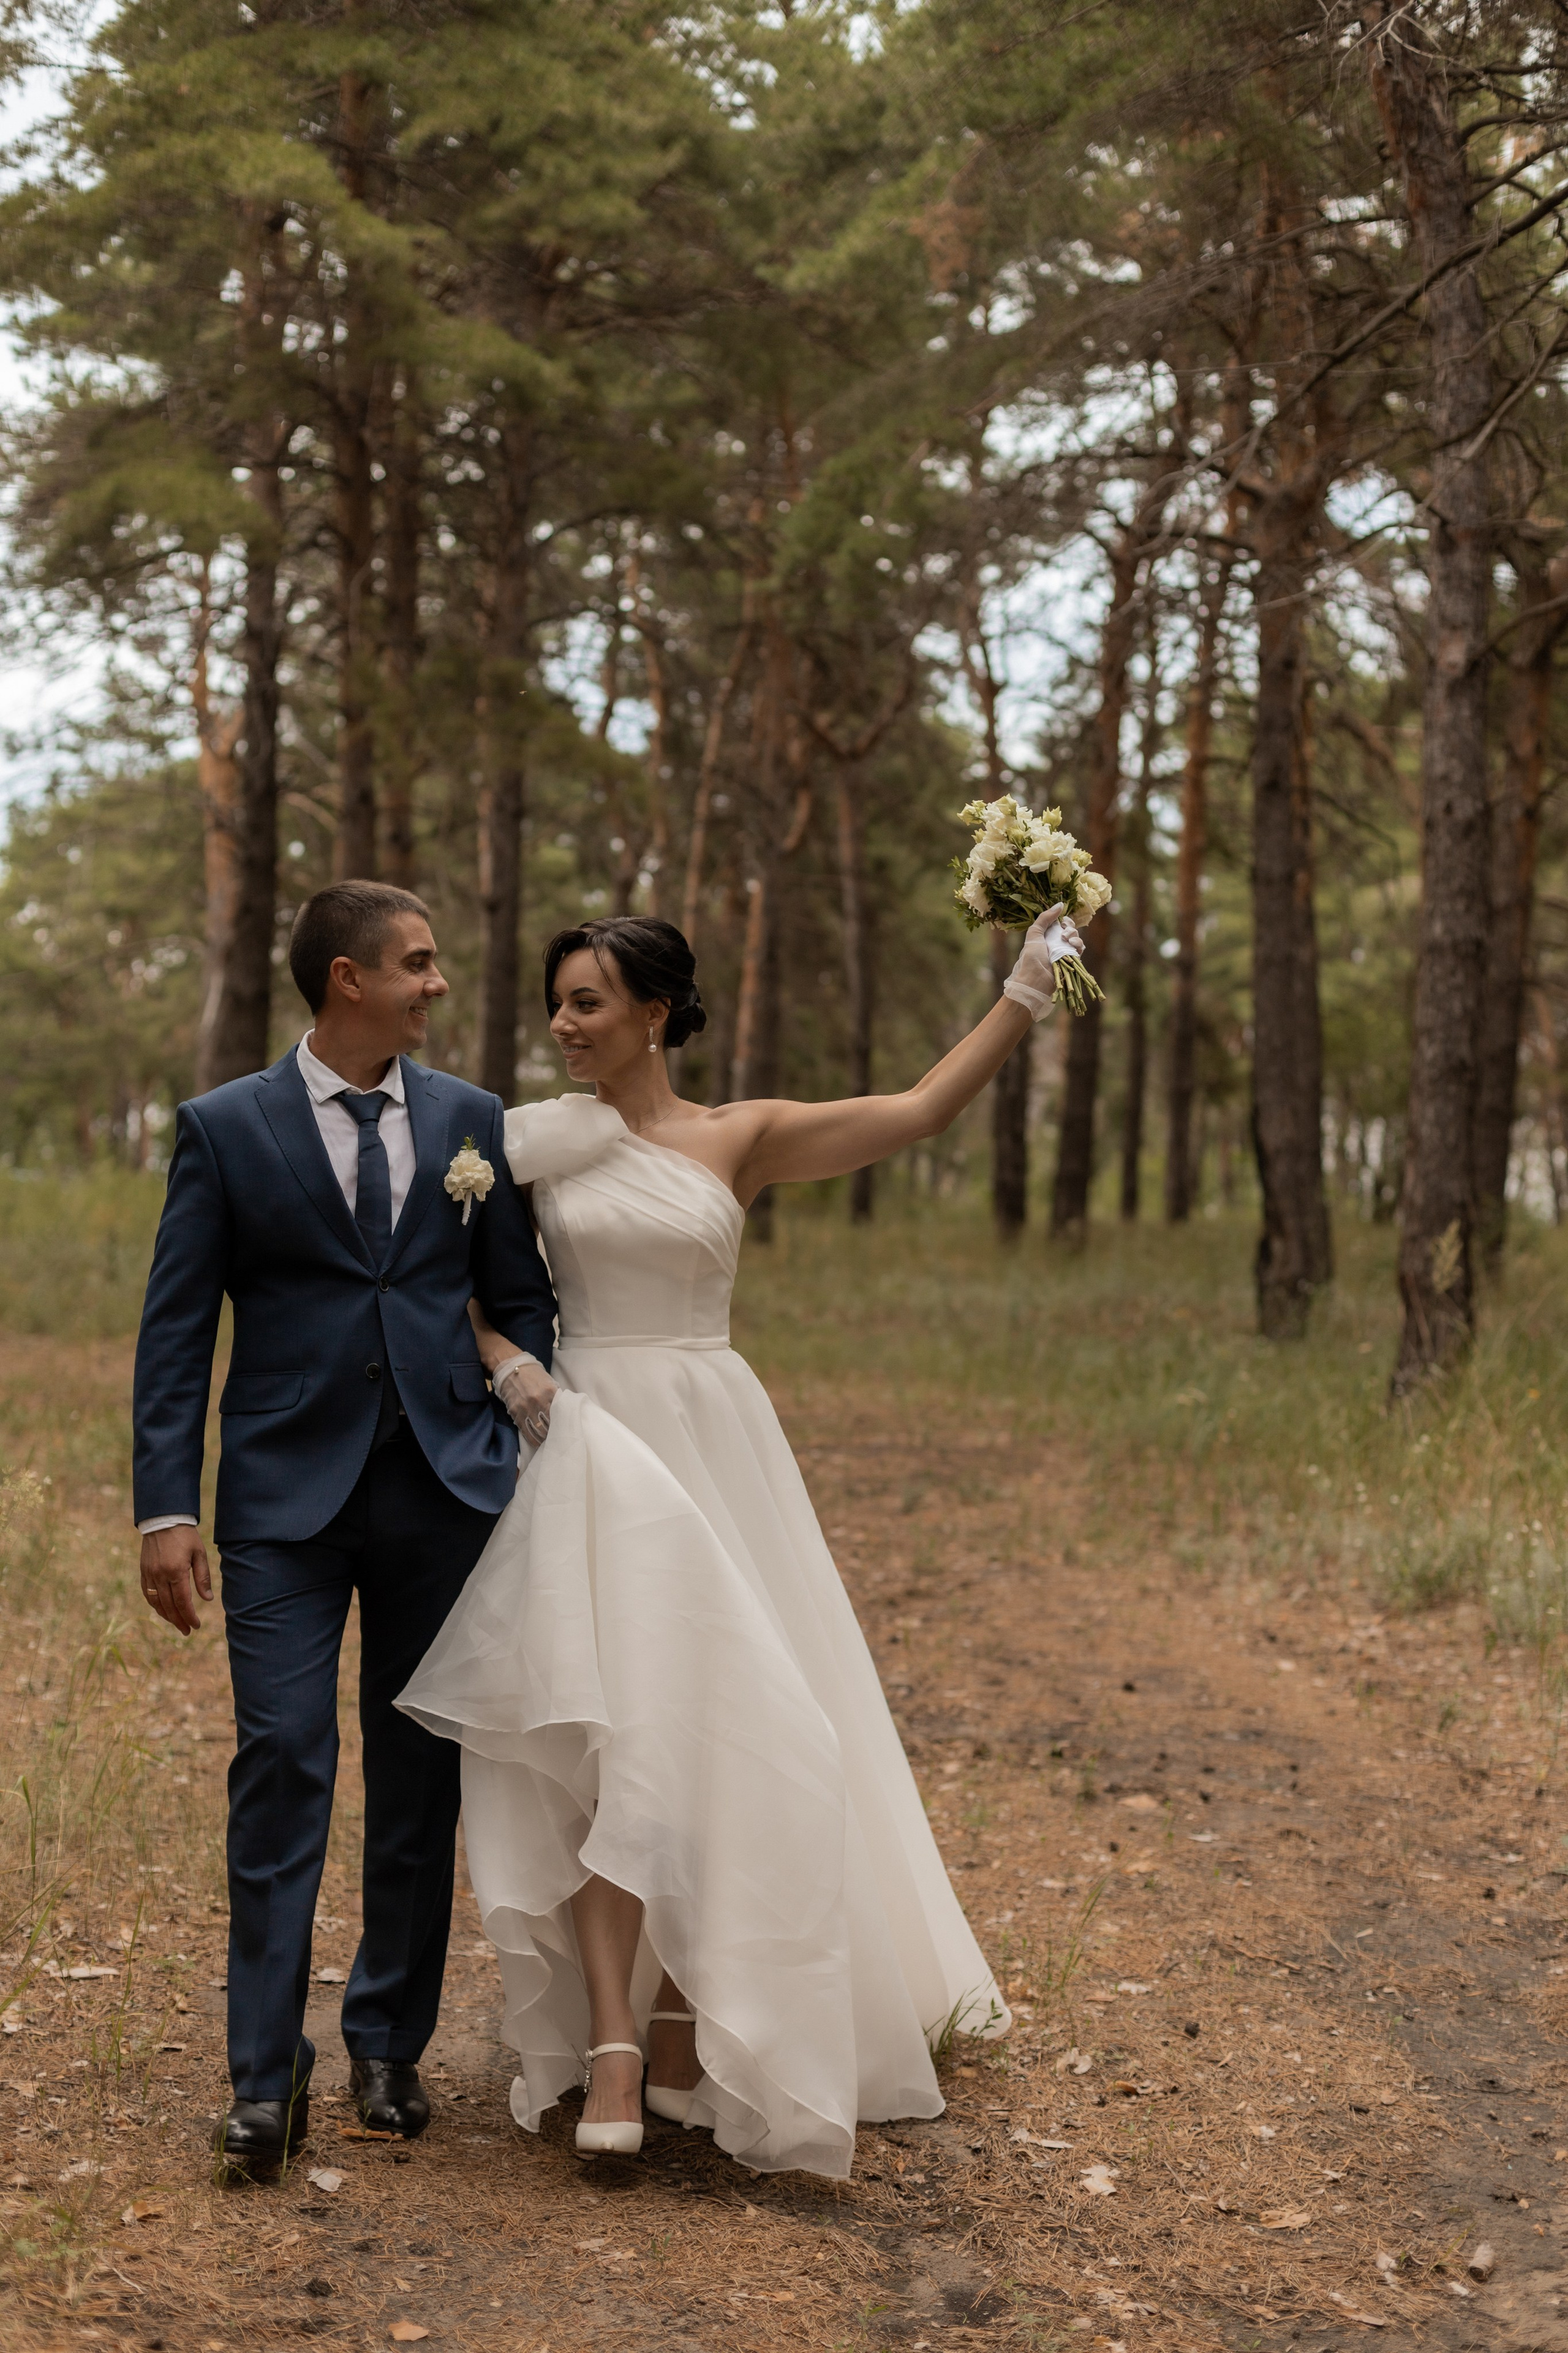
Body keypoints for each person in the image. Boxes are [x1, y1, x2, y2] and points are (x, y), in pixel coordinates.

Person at [398, 899, 1084, 2174]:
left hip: (716, 1438)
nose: (563, 1023)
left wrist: (1023, 989)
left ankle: (683, 2023)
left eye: (588, 1001)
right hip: (592, 1444)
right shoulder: (525, 1140)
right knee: (612, 1739)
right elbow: (451, 1285)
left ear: (655, 1013)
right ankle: (610, 2036)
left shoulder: (743, 1138)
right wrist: (507, 1368)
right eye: (557, 1002)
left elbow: (921, 1108)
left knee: (734, 1725)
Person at [131, 881, 556, 2180]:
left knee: (419, 1768)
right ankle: (264, 2076)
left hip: (441, 1490)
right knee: (282, 1756)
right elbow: (177, 1326)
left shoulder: (470, 1121)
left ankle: (386, 2039)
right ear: (345, 979)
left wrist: (499, 1409)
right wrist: (166, 1503)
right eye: (416, 965)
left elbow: (517, 1297)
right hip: (279, 1505)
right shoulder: (226, 1128)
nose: (437, 984)